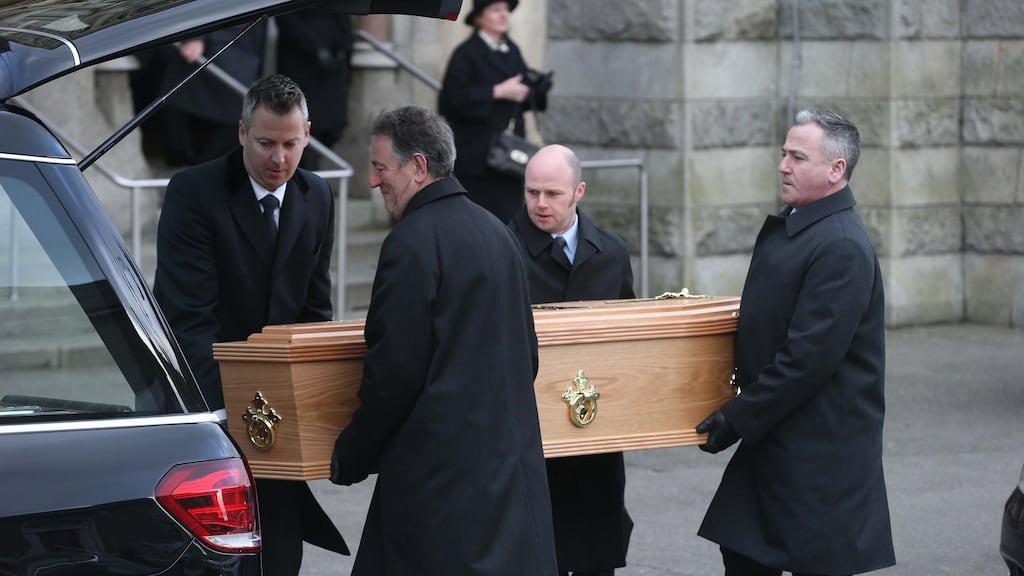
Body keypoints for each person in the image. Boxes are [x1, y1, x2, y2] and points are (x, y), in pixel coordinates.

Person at [330, 105, 558, 576]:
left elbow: (394, 372)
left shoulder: (410, 243)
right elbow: (527, 357)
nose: (373, 182)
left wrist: (352, 453)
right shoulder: (499, 233)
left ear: (417, 166)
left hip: (438, 494)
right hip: (508, 481)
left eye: (380, 168)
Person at [153, 73, 348, 575]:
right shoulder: (194, 193)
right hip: (206, 404)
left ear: (308, 134)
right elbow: (188, 320)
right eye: (265, 143)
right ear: (242, 133)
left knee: (282, 554)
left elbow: (313, 314)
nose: (278, 158)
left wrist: (303, 408)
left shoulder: (317, 196)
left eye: (289, 143)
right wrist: (243, 417)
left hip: (275, 415)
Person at [694, 110, 895, 576]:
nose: (782, 165)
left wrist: (736, 418)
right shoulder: (800, 226)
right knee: (741, 553)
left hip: (820, 459)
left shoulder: (841, 246)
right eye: (783, 153)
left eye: (797, 157)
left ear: (836, 170)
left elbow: (806, 359)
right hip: (778, 439)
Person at [508, 144, 634, 576]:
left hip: (595, 436)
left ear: (579, 191)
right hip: (531, 432)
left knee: (596, 552)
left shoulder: (611, 253)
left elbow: (627, 339)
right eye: (531, 192)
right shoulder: (505, 249)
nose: (539, 204)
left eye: (553, 194)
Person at [439, 0, 550, 223]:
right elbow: (451, 101)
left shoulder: (511, 50)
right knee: (478, 222)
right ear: (480, 17)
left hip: (510, 156)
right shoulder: (465, 53)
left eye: (506, 10)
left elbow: (525, 98)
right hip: (477, 159)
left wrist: (535, 88)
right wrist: (496, 91)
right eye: (496, 10)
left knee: (509, 222)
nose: (504, 15)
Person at [157, 22, 266, 166]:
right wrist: (197, 35)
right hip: (209, 38)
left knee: (243, 115)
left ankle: (202, 166)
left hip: (245, 46)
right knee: (172, 99)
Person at [275, 6, 354, 170]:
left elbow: (344, 16)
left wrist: (344, 47)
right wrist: (316, 49)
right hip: (301, 65)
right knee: (303, 127)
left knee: (330, 128)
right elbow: (286, 18)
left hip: (331, 68)